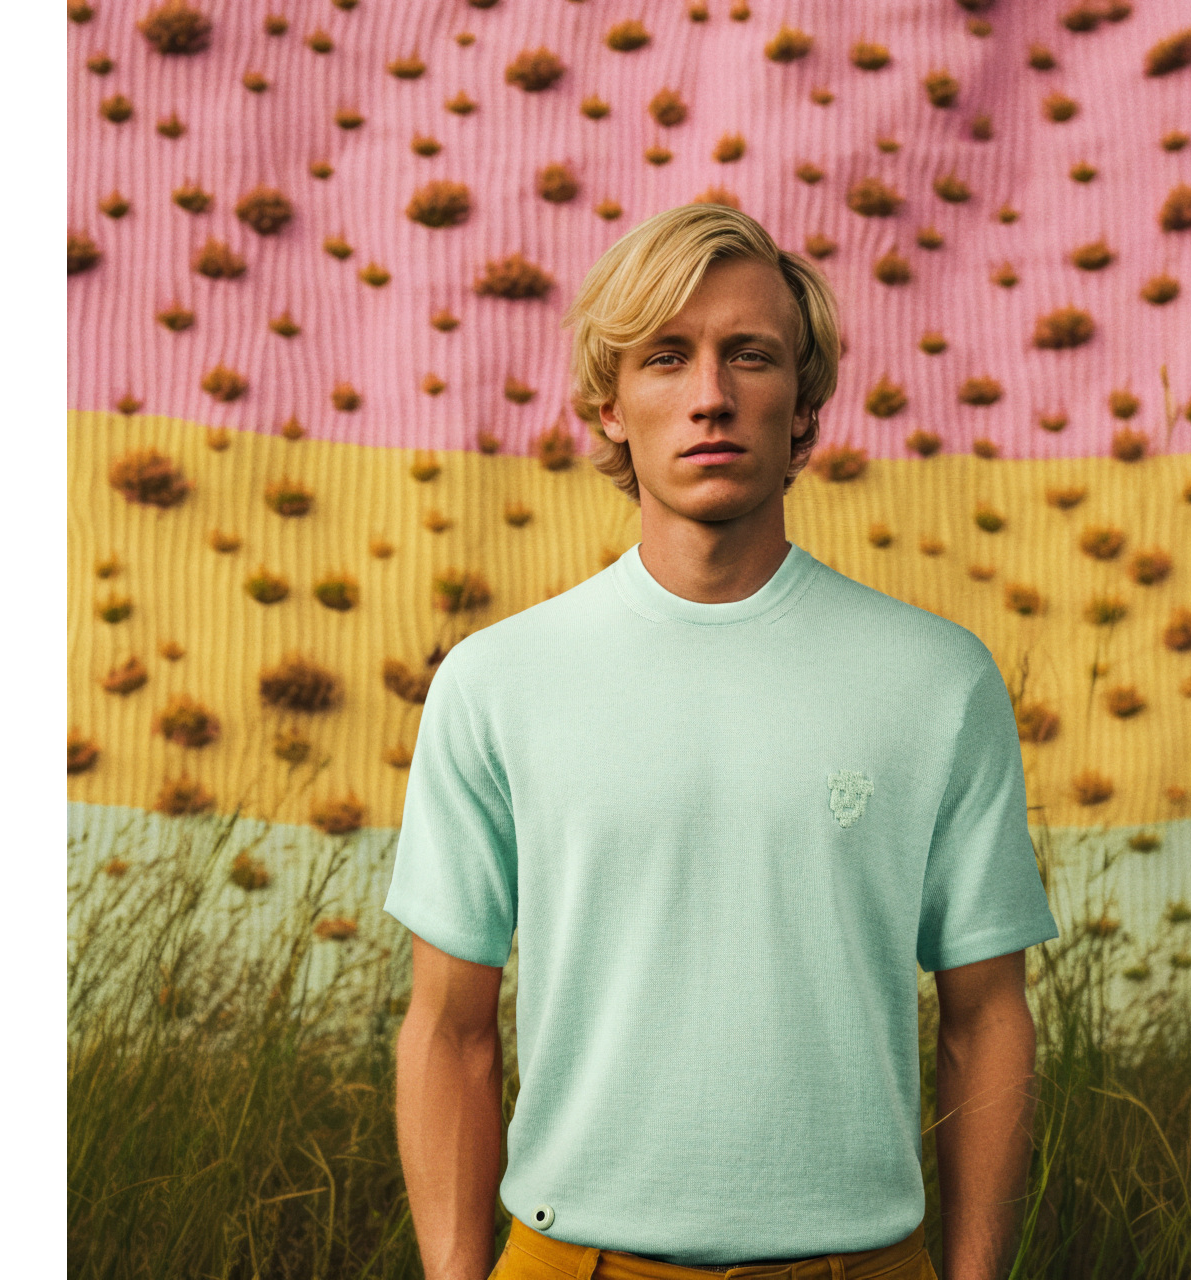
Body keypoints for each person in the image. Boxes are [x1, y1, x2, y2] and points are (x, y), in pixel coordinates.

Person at [385, 205, 1059, 1280]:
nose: (711, 394)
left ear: (803, 406)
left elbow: (987, 1014)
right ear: (610, 403)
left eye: (751, 355)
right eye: (666, 357)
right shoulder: (496, 682)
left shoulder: (936, 680)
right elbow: (448, 1028)